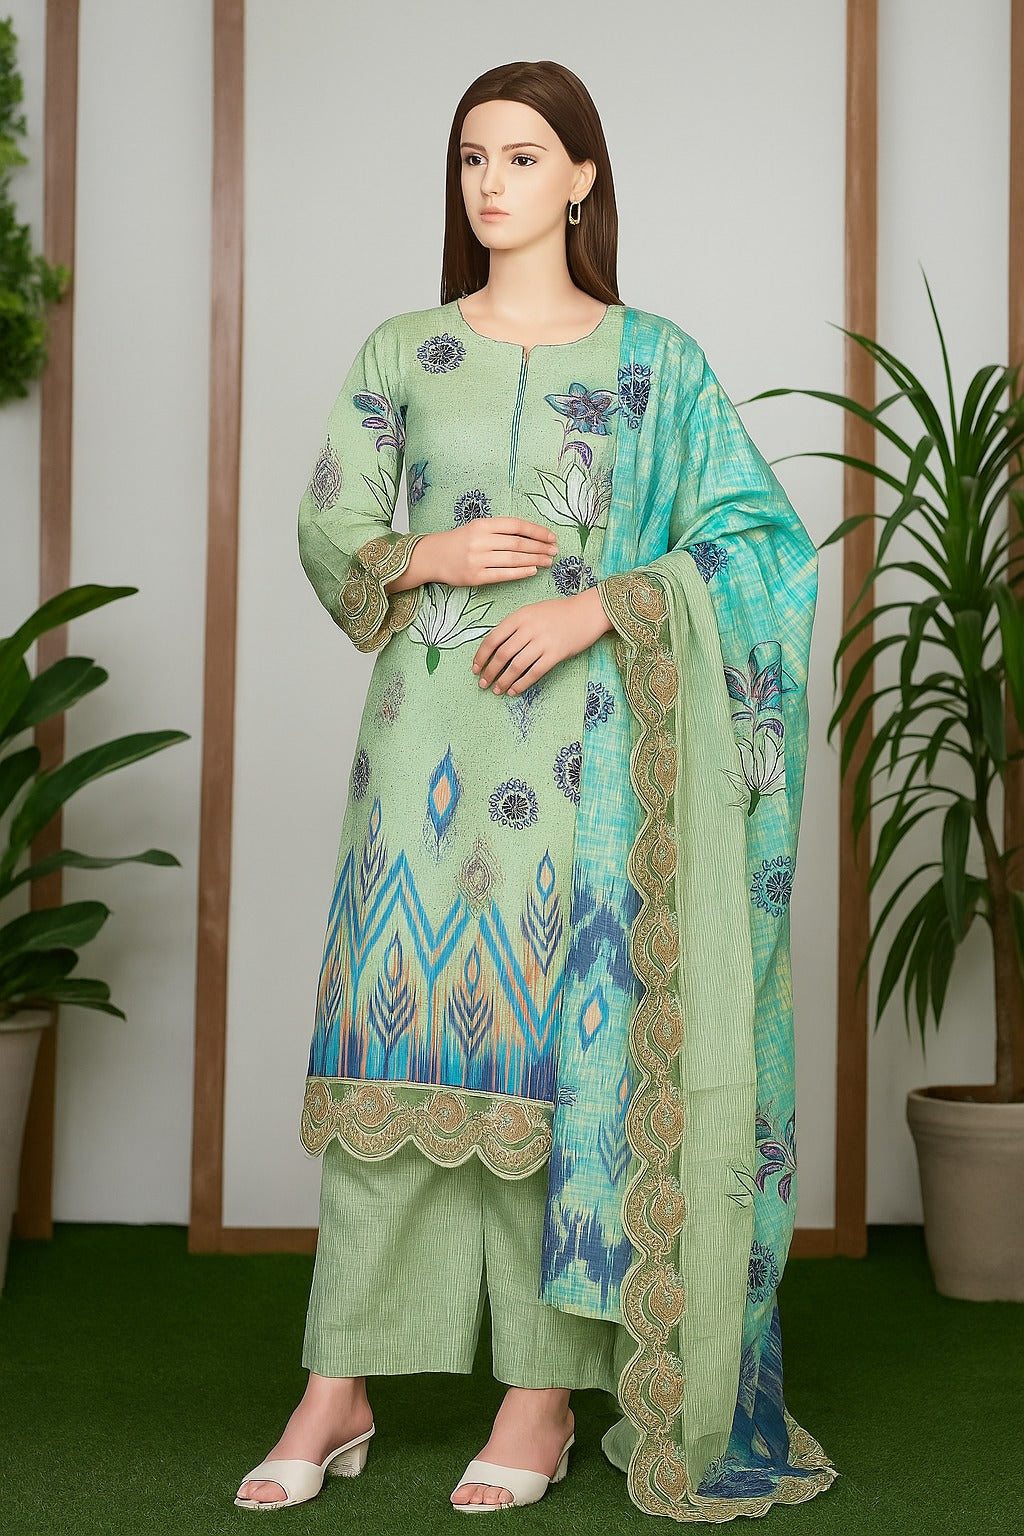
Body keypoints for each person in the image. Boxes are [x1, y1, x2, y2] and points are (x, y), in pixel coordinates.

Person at [234, 59, 840, 1521]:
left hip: (589, 785)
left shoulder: (657, 364)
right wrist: (426, 557)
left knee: (557, 1080)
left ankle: (542, 1396)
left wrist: (606, 606)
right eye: (470, 159)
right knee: (395, 1071)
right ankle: (339, 1381)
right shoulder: (404, 351)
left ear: (582, 178)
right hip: (422, 768)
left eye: (521, 156)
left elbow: (763, 544)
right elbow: (334, 526)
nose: (491, 183)